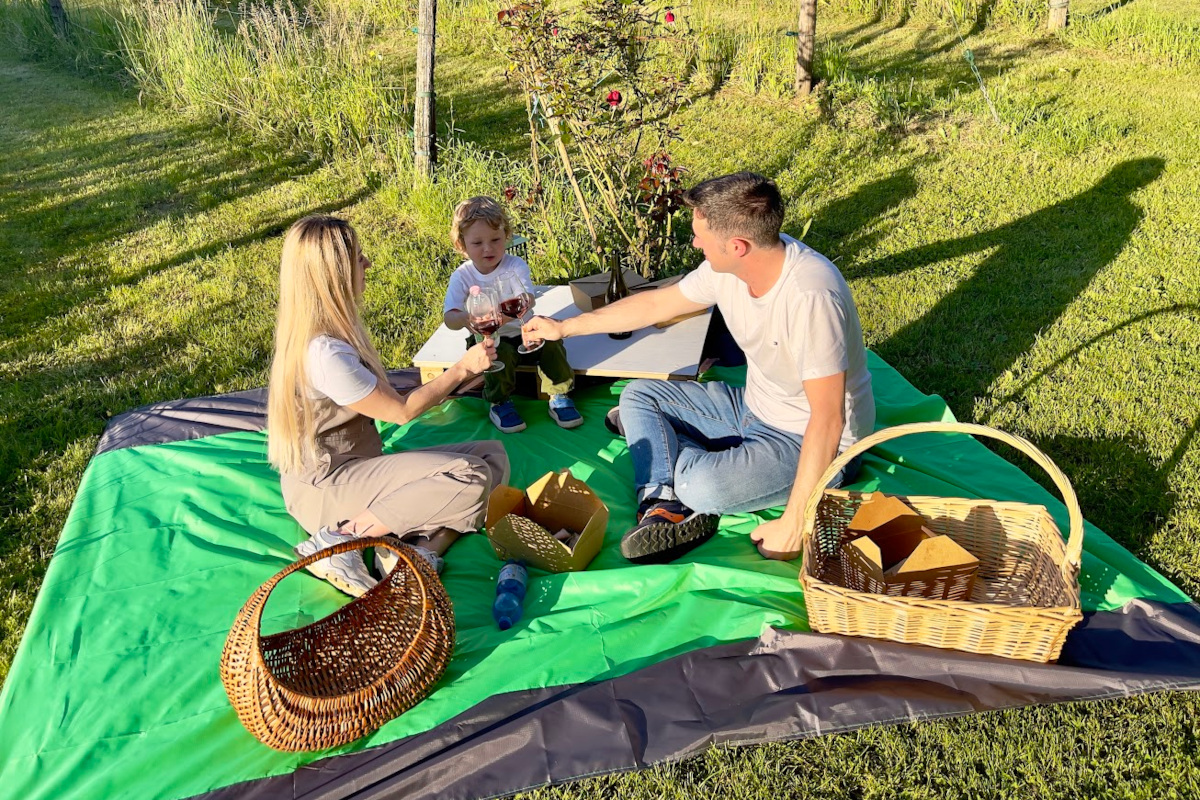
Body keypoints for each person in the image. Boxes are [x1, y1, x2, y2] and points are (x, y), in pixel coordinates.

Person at [523, 172, 874, 563]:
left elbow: (828, 419)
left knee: (699, 484)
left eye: (701, 238)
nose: (694, 243)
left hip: (809, 440)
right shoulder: (732, 269)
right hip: (752, 410)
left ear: (738, 246)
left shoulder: (811, 296)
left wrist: (794, 525)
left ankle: (675, 484)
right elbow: (657, 305)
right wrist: (565, 328)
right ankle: (662, 497)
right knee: (640, 393)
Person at [266, 215, 510, 597]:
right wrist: (462, 369)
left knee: (493, 458)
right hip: (328, 488)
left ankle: (415, 553)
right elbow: (401, 411)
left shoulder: (330, 332)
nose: (367, 264)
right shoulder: (325, 353)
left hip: (355, 471)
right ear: (334, 274)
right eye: (358, 258)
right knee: (471, 476)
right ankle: (338, 541)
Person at [442, 196, 582, 434]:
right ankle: (499, 402)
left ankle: (559, 393)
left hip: (526, 329)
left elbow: (527, 298)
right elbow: (450, 317)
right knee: (496, 356)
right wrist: (467, 318)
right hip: (489, 337)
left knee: (552, 343)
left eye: (496, 240)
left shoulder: (515, 265)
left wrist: (510, 312)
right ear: (461, 246)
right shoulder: (462, 276)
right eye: (477, 243)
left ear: (506, 237)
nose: (488, 248)